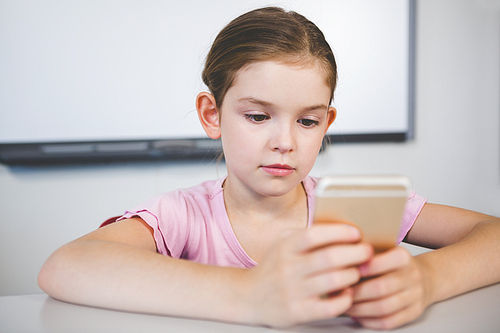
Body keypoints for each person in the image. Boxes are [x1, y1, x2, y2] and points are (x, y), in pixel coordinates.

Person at [38, 6, 500, 330]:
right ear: (211, 115)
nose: (285, 142)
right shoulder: (183, 216)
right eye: (258, 116)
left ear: (327, 124)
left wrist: (428, 278)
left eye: (308, 120)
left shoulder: (360, 210)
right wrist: (252, 293)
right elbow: (66, 267)